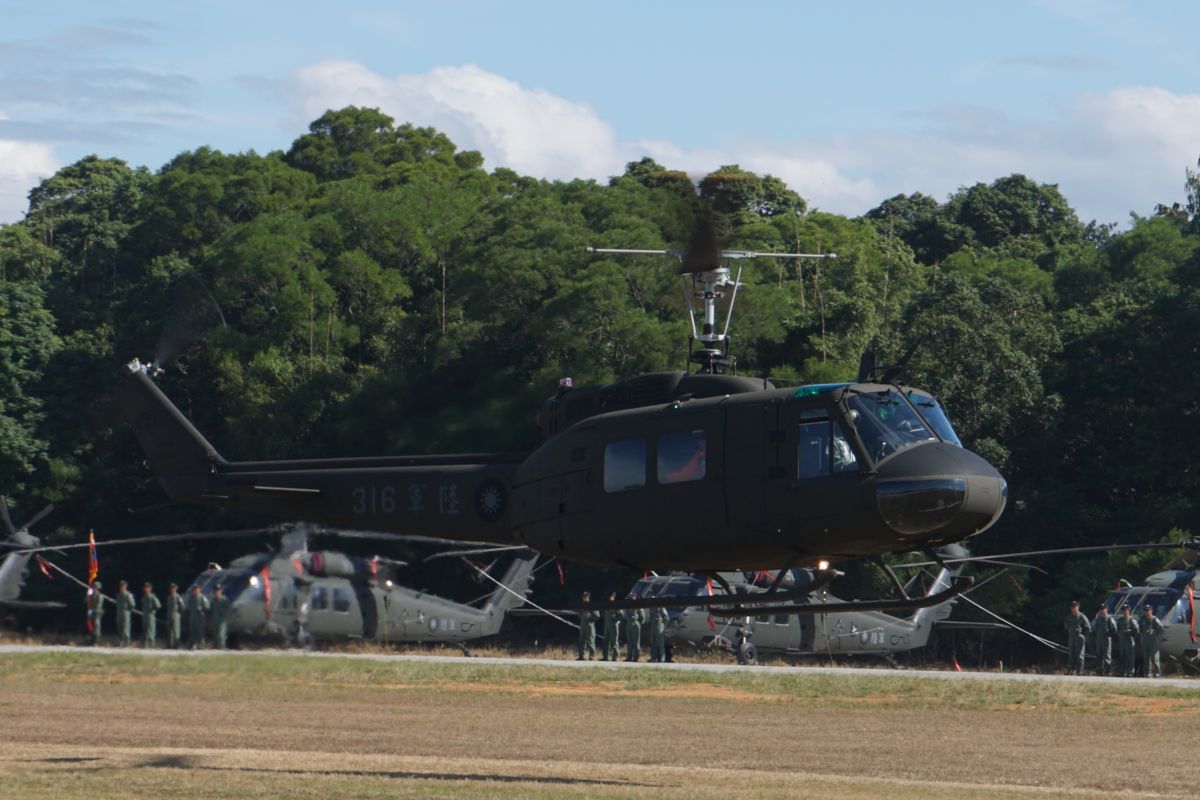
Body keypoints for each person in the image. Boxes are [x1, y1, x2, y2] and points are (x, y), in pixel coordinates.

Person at [1063, 600, 1091, 675]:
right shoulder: (1069, 616)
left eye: (1074, 607)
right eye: (1072, 607)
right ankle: (1072, 669)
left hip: (1079, 638)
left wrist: (1083, 635)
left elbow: (1088, 627)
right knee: (1071, 654)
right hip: (1071, 638)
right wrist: (1069, 629)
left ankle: (1080, 670)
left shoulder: (1082, 616)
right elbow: (1066, 625)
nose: (1073, 608)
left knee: (1079, 655)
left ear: (1078, 607)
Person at [1140, 604, 1165, 677]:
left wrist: (1154, 632)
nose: (1146, 612)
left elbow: (1161, 629)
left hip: (1153, 641)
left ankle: (1157, 672)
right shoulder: (1142, 620)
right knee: (1146, 658)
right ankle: (1146, 673)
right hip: (1145, 641)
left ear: (1151, 611)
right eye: (1145, 610)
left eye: (1147, 610)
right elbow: (1140, 630)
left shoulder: (1154, 619)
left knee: (1155, 658)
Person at [1092, 605, 1118, 675]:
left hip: (1106, 640)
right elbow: (1095, 629)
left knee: (1107, 656)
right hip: (1099, 640)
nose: (1102, 611)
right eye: (1101, 609)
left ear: (1106, 609)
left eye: (1103, 609)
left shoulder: (1109, 619)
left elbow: (1114, 629)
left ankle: (1107, 671)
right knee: (1099, 656)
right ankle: (1099, 671)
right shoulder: (1098, 619)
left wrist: (1109, 634)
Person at [1116, 606, 1139, 677]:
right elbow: (1117, 629)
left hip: (1129, 641)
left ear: (1128, 610)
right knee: (1123, 657)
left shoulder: (1132, 620)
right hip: (1122, 642)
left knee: (1130, 658)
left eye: (1125, 610)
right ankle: (1123, 671)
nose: (1124, 612)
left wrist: (1130, 633)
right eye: (1123, 610)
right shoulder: (1120, 620)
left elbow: (1136, 630)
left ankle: (1131, 672)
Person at [576, 591, 597, 660]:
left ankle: (592, 656)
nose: (584, 598)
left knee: (591, 640)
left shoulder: (592, 605)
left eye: (585, 597)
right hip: (583, 625)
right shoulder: (582, 605)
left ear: (588, 597)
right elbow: (579, 615)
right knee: (582, 640)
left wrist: (590, 616)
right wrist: (581, 614)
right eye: (583, 597)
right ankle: (581, 655)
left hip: (590, 625)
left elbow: (597, 615)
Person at [210, 585, 232, 649]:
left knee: (221, 632)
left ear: (221, 591)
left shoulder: (224, 600)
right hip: (215, 619)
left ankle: (222, 645)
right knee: (215, 632)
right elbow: (211, 608)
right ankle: (215, 645)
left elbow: (228, 609)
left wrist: (223, 613)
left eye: (218, 591)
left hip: (222, 619)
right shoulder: (213, 601)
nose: (217, 592)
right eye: (216, 591)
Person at [115, 580, 136, 647]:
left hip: (125, 613)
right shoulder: (118, 595)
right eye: (121, 586)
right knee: (120, 627)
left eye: (123, 586)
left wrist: (128, 610)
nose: (122, 587)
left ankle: (126, 642)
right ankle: (121, 641)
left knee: (125, 628)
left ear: (126, 586)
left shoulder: (128, 595)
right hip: (119, 613)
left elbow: (132, 604)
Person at [141, 582, 162, 648]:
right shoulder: (144, 598)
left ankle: (151, 645)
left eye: (148, 588)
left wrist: (154, 611)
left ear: (150, 589)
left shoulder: (152, 597)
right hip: (145, 615)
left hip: (150, 616)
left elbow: (158, 605)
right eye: (145, 588)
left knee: (151, 630)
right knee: (144, 630)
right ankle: (143, 645)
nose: (146, 589)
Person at [601, 592, 621, 661]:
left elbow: (620, 615)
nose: (611, 597)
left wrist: (615, 620)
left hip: (613, 625)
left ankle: (615, 656)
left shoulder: (616, 605)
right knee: (606, 641)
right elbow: (603, 614)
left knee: (614, 642)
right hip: (607, 625)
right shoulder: (607, 605)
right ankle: (605, 657)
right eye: (610, 596)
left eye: (612, 596)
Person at [166, 583, 184, 648]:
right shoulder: (169, 597)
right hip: (169, 614)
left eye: (174, 588)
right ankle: (169, 645)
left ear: (176, 589)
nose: (172, 589)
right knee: (169, 630)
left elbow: (182, 606)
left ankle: (177, 645)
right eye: (171, 588)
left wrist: (179, 613)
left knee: (176, 630)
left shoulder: (178, 597)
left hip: (175, 614)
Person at [86, 580, 105, 645]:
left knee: (97, 626)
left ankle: (96, 641)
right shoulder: (91, 594)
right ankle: (92, 640)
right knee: (91, 626)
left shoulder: (100, 595)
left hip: (97, 612)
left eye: (95, 587)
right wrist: (89, 594)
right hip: (91, 612)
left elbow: (98, 605)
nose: (94, 588)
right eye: (93, 587)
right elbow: (87, 601)